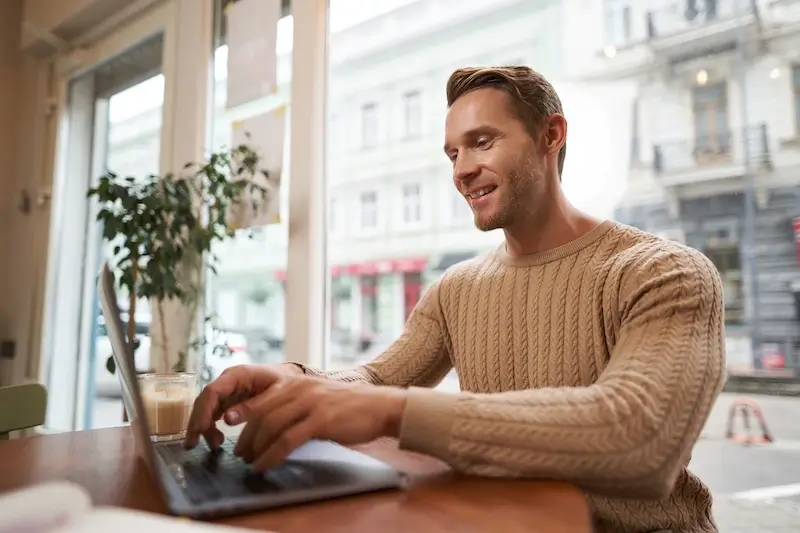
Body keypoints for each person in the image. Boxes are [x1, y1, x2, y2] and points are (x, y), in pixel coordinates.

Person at [186, 66, 725, 533]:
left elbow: (641, 438)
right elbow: (377, 381)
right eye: (452, 152)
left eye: (482, 142)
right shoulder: (458, 287)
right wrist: (296, 382)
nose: (461, 169)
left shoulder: (664, 271)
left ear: (551, 135)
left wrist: (391, 412)